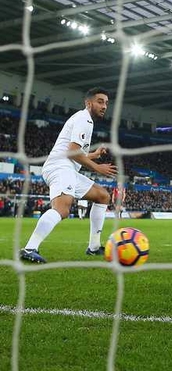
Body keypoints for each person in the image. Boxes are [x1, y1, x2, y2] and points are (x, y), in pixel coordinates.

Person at [19, 88, 117, 264]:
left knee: (103, 196)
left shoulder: (85, 120)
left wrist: (93, 155)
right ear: (88, 103)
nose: (104, 106)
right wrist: (97, 168)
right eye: (100, 102)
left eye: (106, 103)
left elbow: (74, 152)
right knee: (62, 209)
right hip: (60, 167)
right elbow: (72, 153)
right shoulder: (84, 119)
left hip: (67, 168)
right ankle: (30, 248)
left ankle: (94, 247)